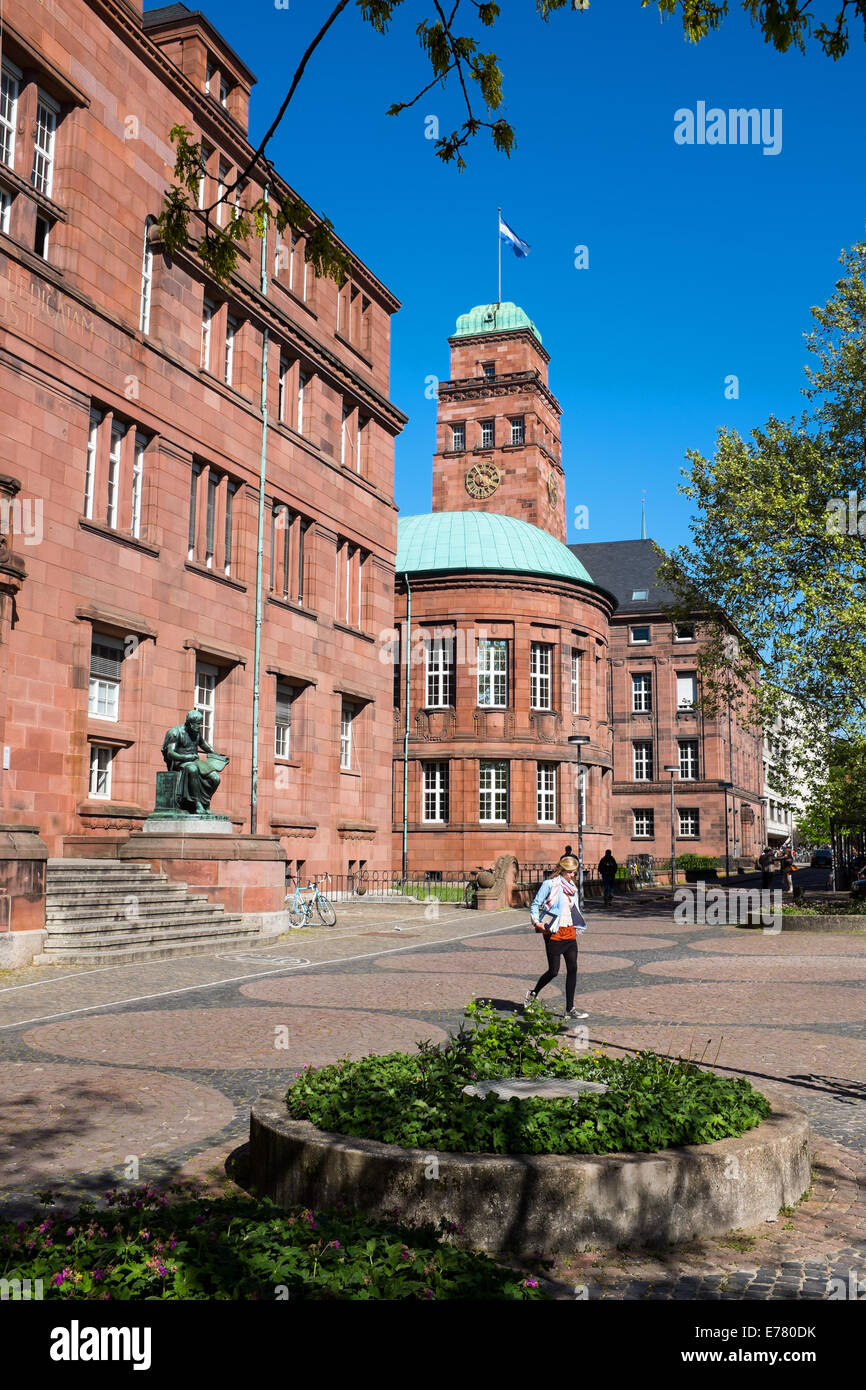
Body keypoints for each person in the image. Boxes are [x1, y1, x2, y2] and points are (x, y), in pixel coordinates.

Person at [525, 855, 588, 1022]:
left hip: (569, 932)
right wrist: (537, 922)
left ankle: (569, 1009)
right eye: (570, 873)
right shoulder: (550, 885)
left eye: (574, 873)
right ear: (562, 870)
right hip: (554, 932)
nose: (573, 876)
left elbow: (571, 909)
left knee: (573, 968)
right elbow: (535, 904)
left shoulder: (571, 887)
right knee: (553, 971)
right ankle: (532, 994)